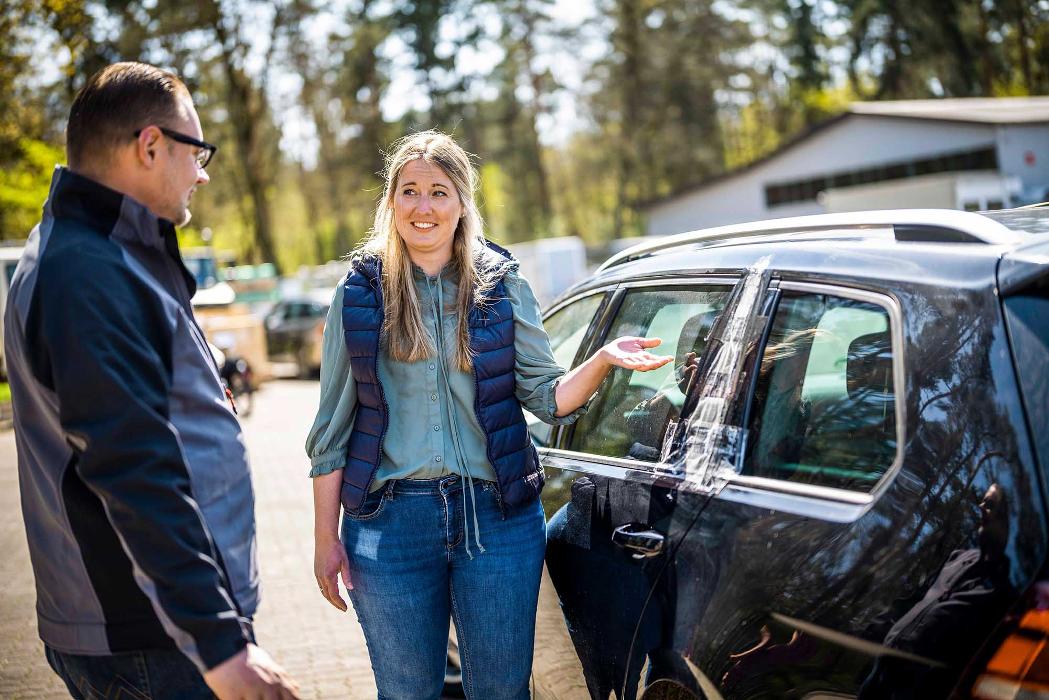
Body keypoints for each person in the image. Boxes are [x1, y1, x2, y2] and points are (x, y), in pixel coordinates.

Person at [307, 130, 672, 699]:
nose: (423, 206)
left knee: (502, 693)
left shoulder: (501, 285)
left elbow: (547, 397)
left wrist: (602, 359)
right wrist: (324, 540)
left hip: (497, 518)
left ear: (461, 205)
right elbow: (331, 432)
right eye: (409, 191)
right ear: (391, 203)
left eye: (438, 192)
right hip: (390, 522)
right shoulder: (359, 293)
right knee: (406, 695)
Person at [4, 62, 299, 699]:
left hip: (165, 627)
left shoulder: (108, 251)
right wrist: (220, 644)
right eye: (197, 152)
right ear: (150, 146)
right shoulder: (84, 272)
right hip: (151, 639)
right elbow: (131, 464)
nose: (204, 171)